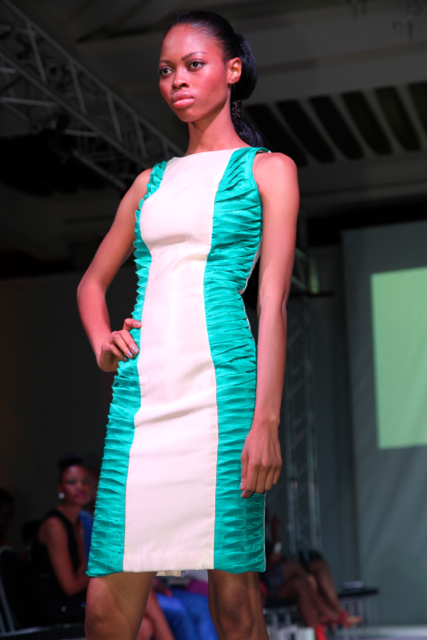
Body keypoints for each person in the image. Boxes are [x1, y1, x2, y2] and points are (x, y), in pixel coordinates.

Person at [77, 9, 299, 640]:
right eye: (166, 70)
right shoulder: (149, 182)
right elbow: (91, 284)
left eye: (193, 65)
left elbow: (273, 304)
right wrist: (102, 343)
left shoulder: (268, 170)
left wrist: (266, 423)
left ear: (232, 70)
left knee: (235, 607)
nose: (177, 79)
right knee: (104, 610)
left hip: (221, 395)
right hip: (142, 399)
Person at [30, 454, 90, 623]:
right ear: (60, 489)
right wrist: (108, 570)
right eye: (72, 482)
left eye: (85, 481)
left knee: (142, 622)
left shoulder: (80, 522)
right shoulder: (55, 525)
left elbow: (82, 571)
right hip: (55, 605)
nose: (80, 487)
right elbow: (70, 587)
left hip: (75, 597)